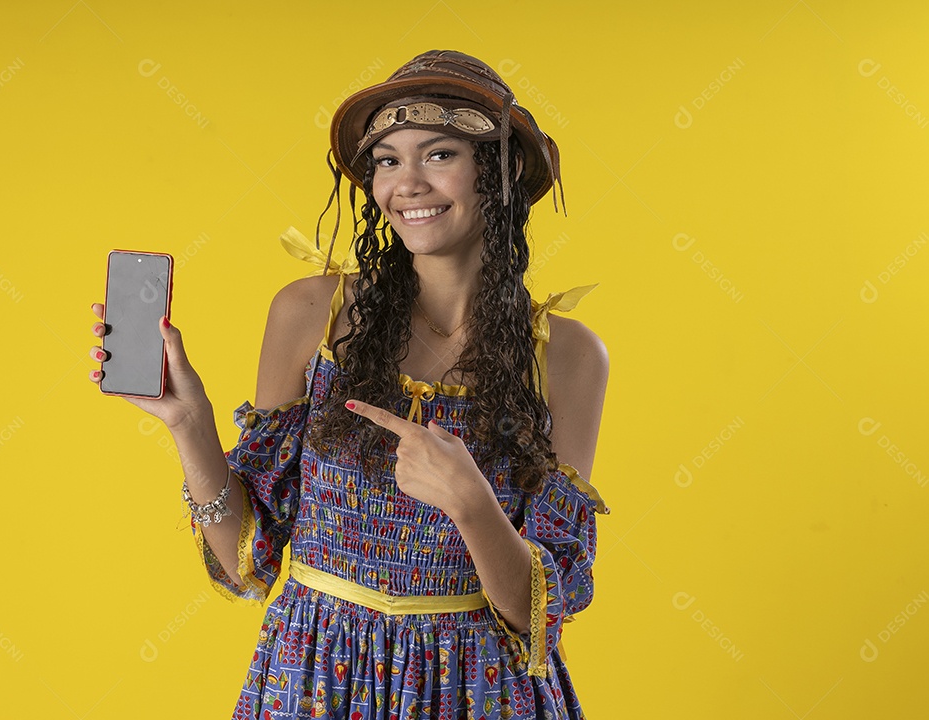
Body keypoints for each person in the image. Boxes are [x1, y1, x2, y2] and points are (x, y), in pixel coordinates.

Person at [89, 50, 610, 720]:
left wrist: (472, 504)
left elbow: (537, 617)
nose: (408, 183)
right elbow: (247, 561)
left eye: (439, 154)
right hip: (316, 678)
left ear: (501, 169)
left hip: (478, 690)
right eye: (387, 161)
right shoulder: (310, 314)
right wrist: (190, 423)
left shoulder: (567, 356)